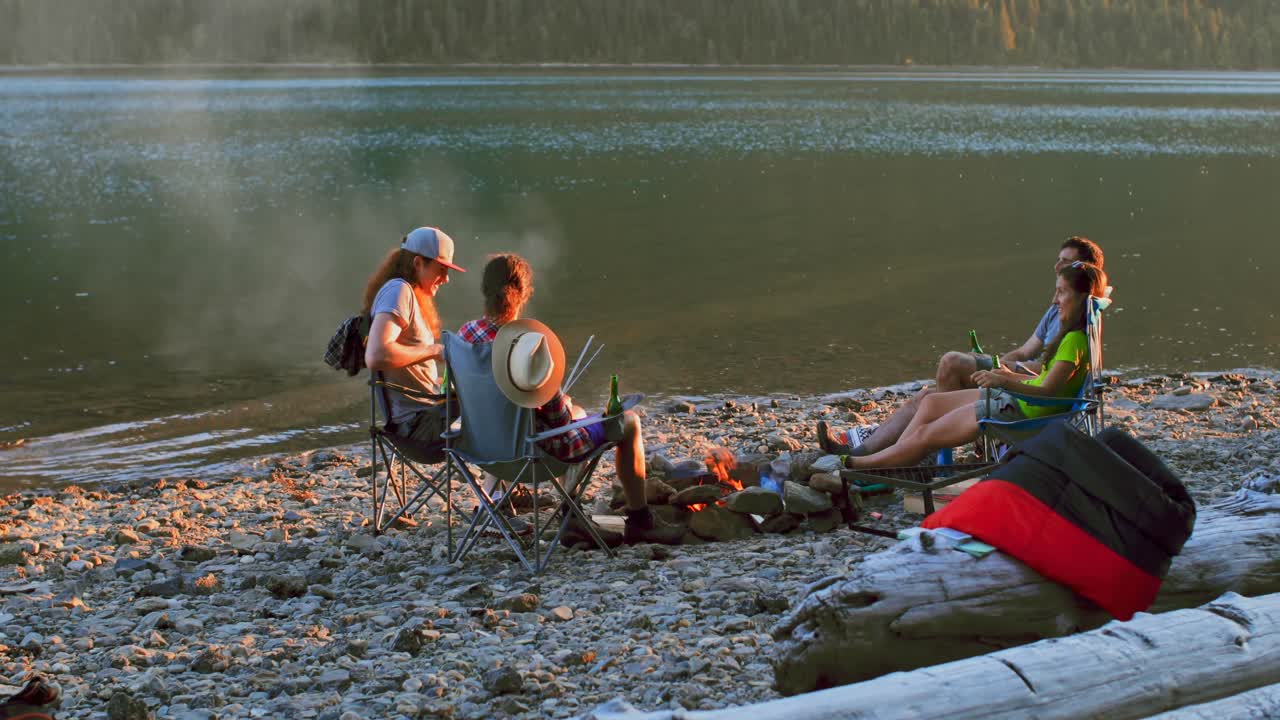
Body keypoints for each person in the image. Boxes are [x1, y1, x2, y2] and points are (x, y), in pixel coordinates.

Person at [459, 253, 684, 546]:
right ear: (524, 293)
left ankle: (573, 517)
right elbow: (560, 421)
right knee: (628, 423)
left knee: (575, 412)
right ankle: (640, 521)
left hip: (484, 448)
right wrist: (563, 404)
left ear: (484, 290)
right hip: (532, 456)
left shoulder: (464, 338)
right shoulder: (528, 344)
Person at [818, 235, 1105, 456]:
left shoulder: (1074, 323)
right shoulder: (1058, 309)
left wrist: (1001, 373)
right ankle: (867, 452)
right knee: (927, 397)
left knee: (951, 362)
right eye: (1058, 260)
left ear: (1083, 275)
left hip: (1024, 391)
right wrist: (996, 362)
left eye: (1066, 263)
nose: (1057, 267)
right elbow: (1026, 350)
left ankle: (923, 445)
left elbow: (1043, 372)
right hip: (1017, 377)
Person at [363, 226, 465, 456]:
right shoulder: (398, 291)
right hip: (419, 428)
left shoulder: (407, 293)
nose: (446, 279)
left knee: (493, 396)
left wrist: (435, 380)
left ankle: (498, 488)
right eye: (441, 270)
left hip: (424, 417)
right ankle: (498, 488)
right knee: (498, 401)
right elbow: (376, 355)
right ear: (418, 263)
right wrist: (432, 350)